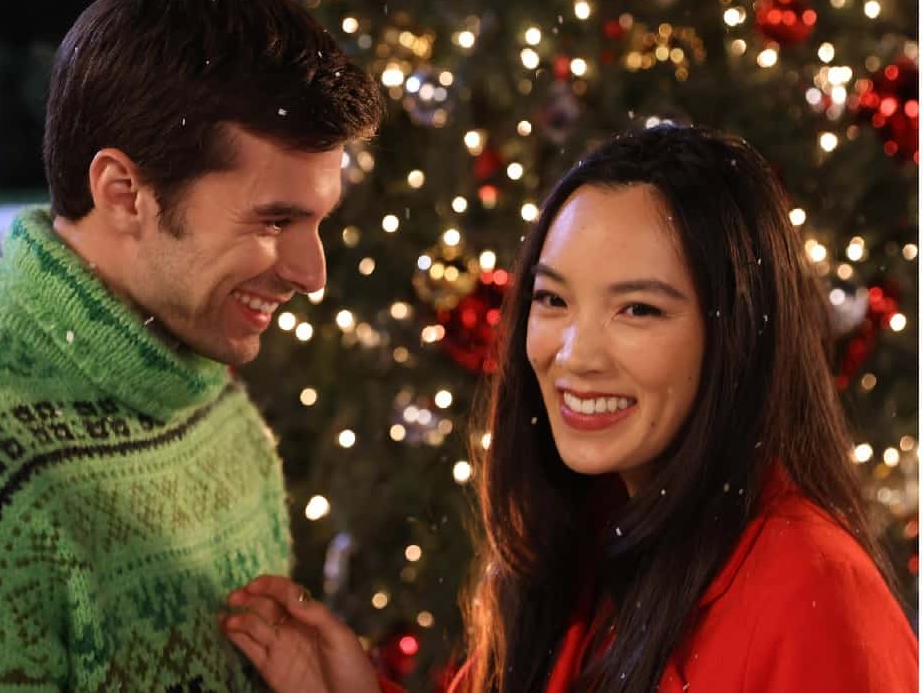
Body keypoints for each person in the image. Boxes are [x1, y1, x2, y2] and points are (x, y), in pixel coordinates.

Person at [221, 125, 918, 692]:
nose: (575, 354)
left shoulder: (812, 591)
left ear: (733, 338)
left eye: (638, 309)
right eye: (552, 300)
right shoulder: (588, 543)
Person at [0, 0, 382, 690]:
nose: (313, 273)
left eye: (318, 221)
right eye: (276, 220)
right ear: (124, 193)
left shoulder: (212, 405)